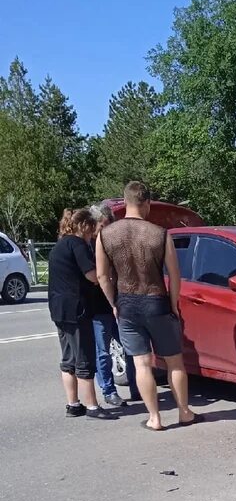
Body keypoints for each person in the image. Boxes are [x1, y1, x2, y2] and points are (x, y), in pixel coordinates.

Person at [96, 181, 199, 432]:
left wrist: (114, 303)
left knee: (142, 364)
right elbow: (174, 275)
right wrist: (174, 304)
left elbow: (102, 276)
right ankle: (184, 412)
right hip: (157, 301)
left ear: (125, 202)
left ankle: (154, 418)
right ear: (147, 203)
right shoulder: (160, 234)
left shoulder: (105, 235)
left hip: (127, 304)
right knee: (174, 362)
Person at [47, 208, 118, 420]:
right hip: (77, 308)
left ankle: (73, 404)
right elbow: (92, 276)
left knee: (68, 358)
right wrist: (106, 275)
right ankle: (92, 406)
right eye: (93, 228)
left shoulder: (59, 246)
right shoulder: (77, 244)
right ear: (85, 226)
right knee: (85, 358)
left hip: (59, 309)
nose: (93, 232)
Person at [88, 204, 139, 407]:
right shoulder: (88, 245)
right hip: (99, 306)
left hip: (119, 303)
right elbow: (96, 276)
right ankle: (109, 390)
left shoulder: (113, 242)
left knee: (130, 348)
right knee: (103, 351)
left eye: (109, 225)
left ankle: (137, 387)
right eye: (102, 225)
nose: (105, 229)